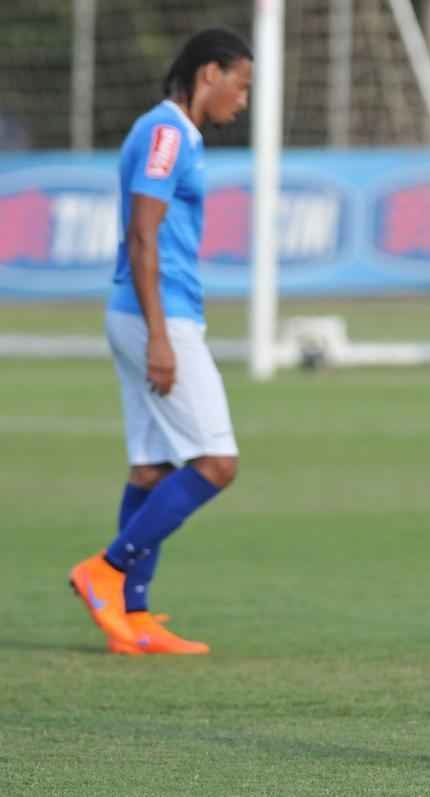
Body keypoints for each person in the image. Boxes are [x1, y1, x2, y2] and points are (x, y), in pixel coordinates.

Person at [67, 28, 253, 656]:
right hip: (157, 315)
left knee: (153, 467)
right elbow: (143, 236)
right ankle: (107, 571)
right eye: (241, 83)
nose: (243, 99)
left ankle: (133, 615)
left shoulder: (176, 134)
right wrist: (159, 338)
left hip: (148, 313)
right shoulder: (168, 133)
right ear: (209, 75)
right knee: (215, 463)